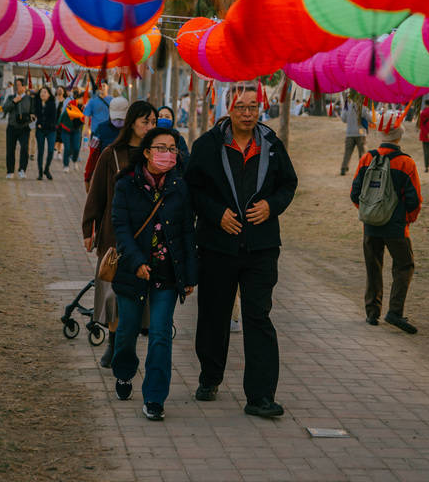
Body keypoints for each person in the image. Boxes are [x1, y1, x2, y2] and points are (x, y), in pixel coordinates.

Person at [185, 82, 298, 418]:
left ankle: (260, 396)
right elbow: (192, 189)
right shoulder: (207, 145)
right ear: (228, 109)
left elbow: (288, 184)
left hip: (261, 247)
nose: (248, 113)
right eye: (241, 107)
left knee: (258, 317)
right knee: (214, 314)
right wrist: (215, 214)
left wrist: (272, 206)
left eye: (253, 107)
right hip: (217, 246)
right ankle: (210, 377)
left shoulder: (272, 145)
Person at [110, 126, 198, 421]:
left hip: (167, 273)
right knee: (127, 331)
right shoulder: (126, 184)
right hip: (133, 271)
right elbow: (121, 228)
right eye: (161, 148)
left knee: (161, 334)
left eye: (172, 149)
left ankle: (155, 397)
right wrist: (136, 261)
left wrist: (190, 275)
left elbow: (187, 232)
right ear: (147, 152)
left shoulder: (179, 187)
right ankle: (124, 372)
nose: (167, 154)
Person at [82, 101, 158, 368]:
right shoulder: (111, 154)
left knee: (140, 297)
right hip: (114, 237)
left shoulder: (157, 155)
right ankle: (113, 343)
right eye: (145, 122)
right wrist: (88, 228)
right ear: (131, 123)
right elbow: (97, 195)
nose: (150, 127)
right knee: (113, 294)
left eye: (154, 122)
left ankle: (127, 344)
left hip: (147, 237)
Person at [350, 113, 422, 334]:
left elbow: (355, 193)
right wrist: (407, 219)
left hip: (370, 226)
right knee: (404, 265)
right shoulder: (406, 162)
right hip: (396, 227)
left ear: (381, 134)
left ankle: (372, 313)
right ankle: (395, 312)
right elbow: (414, 200)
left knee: (373, 267)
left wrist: (369, 213)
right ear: (399, 135)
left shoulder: (366, 158)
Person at [84, 96, 130, 192]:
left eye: (121, 118)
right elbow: (93, 155)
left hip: (128, 177)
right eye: (116, 118)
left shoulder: (133, 129)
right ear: (109, 111)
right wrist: (88, 176)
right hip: (105, 176)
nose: (118, 121)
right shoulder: (100, 129)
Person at [2, 77, 35, 180]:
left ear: (24, 87)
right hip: (12, 127)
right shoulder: (11, 97)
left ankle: (22, 170)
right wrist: (14, 102)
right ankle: (10, 171)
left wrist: (31, 117)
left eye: (19, 85)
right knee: (10, 150)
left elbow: (33, 112)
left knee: (24, 148)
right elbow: (4, 109)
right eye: (15, 85)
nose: (17, 87)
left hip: (24, 128)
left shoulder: (30, 99)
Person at [340, 100, 372, 175]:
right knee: (362, 153)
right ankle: (363, 168)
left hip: (350, 133)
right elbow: (370, 118)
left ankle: (344, 168)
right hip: (361, 133)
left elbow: (343, 119)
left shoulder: (347, 106)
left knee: (348, 152)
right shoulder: (363, 107)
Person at [58, 91, 85, 173]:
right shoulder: (71, 103)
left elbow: (86, 119)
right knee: (67, 148)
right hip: (66, 129)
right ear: (80, 98)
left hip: (77, 130)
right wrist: (81, 114)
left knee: (76, 148)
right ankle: (66, 165)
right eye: (84, 99)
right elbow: (70, 113)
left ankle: (74, 160)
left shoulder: (85, 107)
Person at [157, 105, 190, 172]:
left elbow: (185, 161)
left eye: (167, 117)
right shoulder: (150, 137)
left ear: (172, 120)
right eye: (160, 116)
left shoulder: (178, 138)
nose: (164, 119)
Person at [34, 85, 57, 180]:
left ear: (49, 94)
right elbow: (34, 113)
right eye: (41, 92)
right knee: (40, 151)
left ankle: (46, 169)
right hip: (40, 130)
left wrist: (43, 125)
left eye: (45, 92)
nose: (42, 94)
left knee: (51, 150)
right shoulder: (36, 102)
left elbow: (53, 118)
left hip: (51, 130)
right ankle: (40, 172)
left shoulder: (52, 104)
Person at [54, 86, 68, 159]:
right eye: (58, 90)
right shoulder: (54, 99)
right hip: (54, 120)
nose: (59, 91)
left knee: (61, 137)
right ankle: (54, 150)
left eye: (61, 90)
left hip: (62, 121)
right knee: (55, 136)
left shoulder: (65, 101)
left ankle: (59, 152)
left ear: (63, 92)